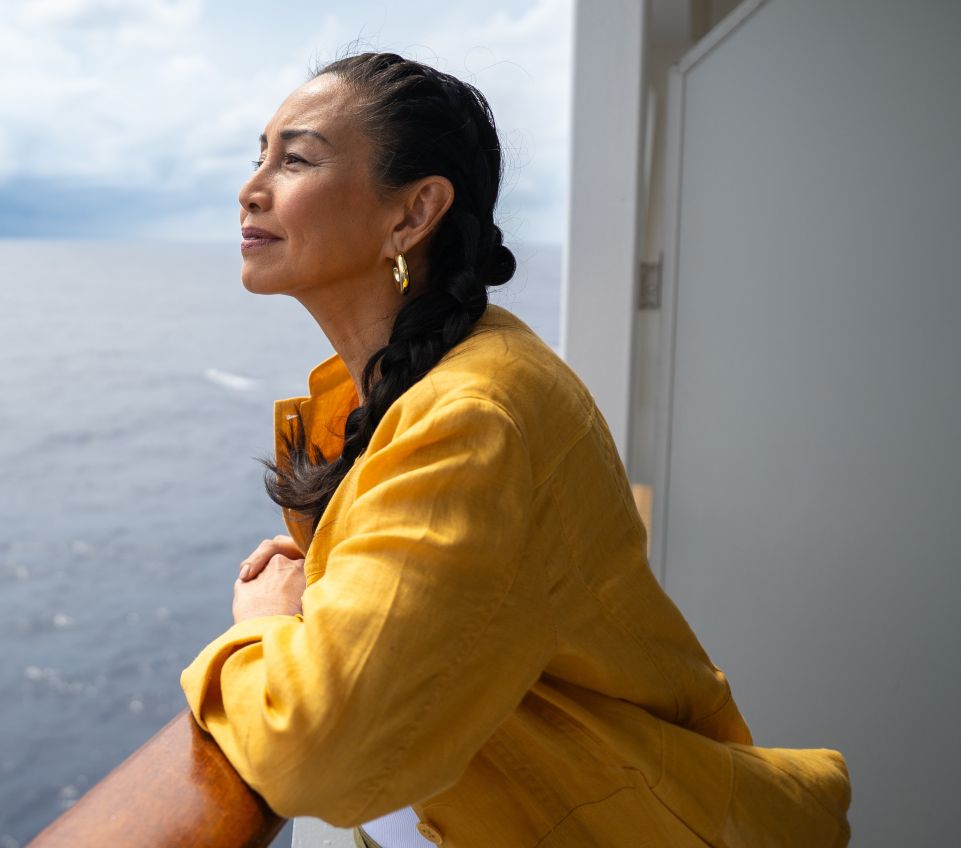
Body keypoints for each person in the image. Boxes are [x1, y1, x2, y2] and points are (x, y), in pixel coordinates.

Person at [178, 50, 852, 846]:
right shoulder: (432, 375)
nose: (251, 187)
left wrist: (261, 628)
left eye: (295, 159)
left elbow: (316, 755)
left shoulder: (472, 415)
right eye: (258, 156)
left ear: (413, 213)